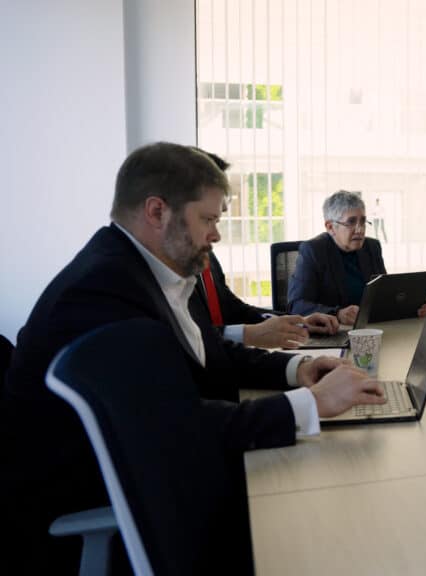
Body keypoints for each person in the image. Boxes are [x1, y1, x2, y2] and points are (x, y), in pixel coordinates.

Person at [0, 143, 387, 572]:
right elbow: (173, 428)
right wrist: (311, 405)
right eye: (208, 220)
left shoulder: (156, 271)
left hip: (166, 468)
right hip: (108, 501)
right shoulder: (100, 291)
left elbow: (210, 352)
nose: (217, 235)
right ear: (156, 212)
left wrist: (299, 369)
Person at [191, 149, 340, 349]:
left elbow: (231, 307)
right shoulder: (166, 270)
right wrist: (248, 334)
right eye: (208, 218)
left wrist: (296, 322)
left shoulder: (206, 254)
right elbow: (188, 338)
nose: (225, 202)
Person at [288, 190, 426, 324]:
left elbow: (384, 295)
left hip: (370, 330)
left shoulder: (372, 247)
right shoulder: (313, 251)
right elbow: (296, 305)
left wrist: (415, 305)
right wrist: (337, 313)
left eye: (362, 221)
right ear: (330, 227)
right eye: (351, 222)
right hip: (333, 334)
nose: (360, 229)